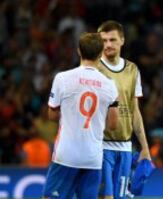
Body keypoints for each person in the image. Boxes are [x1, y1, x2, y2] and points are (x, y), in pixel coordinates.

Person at [42, 32, 119, 199]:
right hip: (92, 157)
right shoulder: (110, 85)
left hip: (66, 155)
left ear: (78, 51)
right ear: (100, 54)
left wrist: (71, 115)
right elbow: (113, 124)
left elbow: (52, 115)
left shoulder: (62, 78)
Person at [97, 20, 151, 199]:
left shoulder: (132, 70)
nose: (108, 45)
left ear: (122, 41)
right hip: (100, 145)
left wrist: (145, 147)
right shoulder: (94, 69)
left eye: (112, 40)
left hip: (125, 147)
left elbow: (135, 111)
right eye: (103, 40)